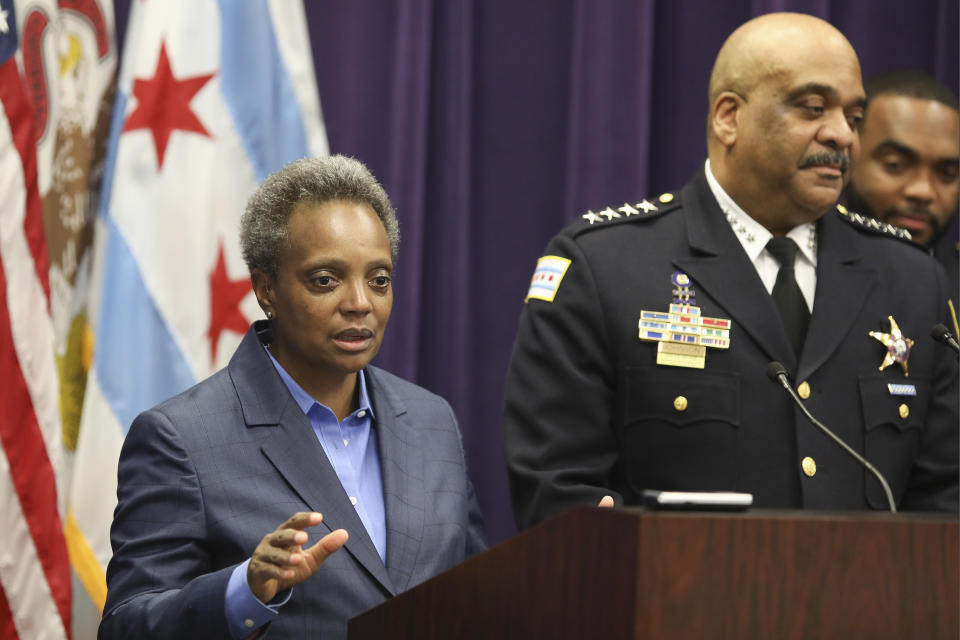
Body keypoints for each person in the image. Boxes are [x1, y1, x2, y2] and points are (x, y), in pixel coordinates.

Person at [502, 13, 959, 530]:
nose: (842, 136)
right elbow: (560, 495)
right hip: (672, 606)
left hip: (867, 607)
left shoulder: (911, 280)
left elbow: (944, 494)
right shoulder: (604, 268)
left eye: (853, 117)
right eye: (813, 108)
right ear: (728, 117)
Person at [99, 155, 486, 639]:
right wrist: (246, 590)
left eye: (379, 279)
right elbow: (126, 628)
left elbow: (480, 595)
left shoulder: (432, 421)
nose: (359, 303)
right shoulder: (180, 440)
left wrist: (571, 560)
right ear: (267, 290)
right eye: (326, 280)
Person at [844, 69, 959, 314]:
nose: (923, 192)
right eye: (895, 165)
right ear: (849, 156)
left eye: (947, 174)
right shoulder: (802, 270)